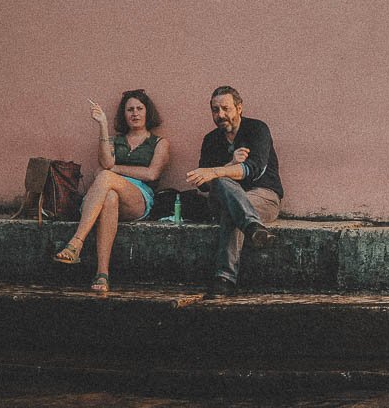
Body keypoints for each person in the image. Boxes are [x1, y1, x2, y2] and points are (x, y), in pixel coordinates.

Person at [52, 89, 170, 294]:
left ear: (147, 112)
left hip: (139, 198)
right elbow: (106, 161)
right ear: (123, 115)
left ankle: (76, 242)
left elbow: (151, 174)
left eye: (139, 109)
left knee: (105, 177)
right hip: (109, 195)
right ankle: (102, 273)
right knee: (110, 197)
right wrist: (103, 125)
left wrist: (114, 170)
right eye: (130, 109)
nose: (135, 113)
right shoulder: (116, 141)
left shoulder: (160, 143)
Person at [186, 86, 283, 299]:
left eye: (225, 108)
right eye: (215, 110)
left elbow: (253, 169)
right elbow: (204, 184)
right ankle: (253, 228)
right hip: (224, 199)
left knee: (232, 208)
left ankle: (224, 279)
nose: (220, 115)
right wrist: (228, 166)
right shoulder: (211, 140)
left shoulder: (257, 130)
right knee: (223, 186)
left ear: (239, 108)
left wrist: (216, 171)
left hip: (263, 196)